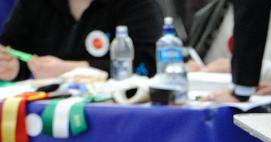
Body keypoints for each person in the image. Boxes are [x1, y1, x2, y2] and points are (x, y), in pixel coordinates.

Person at [0, 0, 163, 81]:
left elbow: (148, 68)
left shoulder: (137, 4)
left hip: (118, 116)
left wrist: (72, 70)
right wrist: (13, 68)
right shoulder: (34, 4)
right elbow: (13, 48)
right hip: (45, 114)